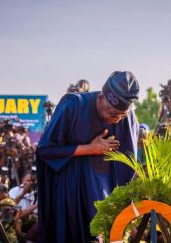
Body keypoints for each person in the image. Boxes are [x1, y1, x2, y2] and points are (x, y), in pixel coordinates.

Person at [37, 71, 139, 242]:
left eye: (121, 115)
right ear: (100, 97)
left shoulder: (125, 118)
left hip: (104, 195)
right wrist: (90, 149)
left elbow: (127, 166)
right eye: (112, 114)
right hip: (71, 195)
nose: (116, 120)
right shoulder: (73, 106)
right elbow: (45, 150)